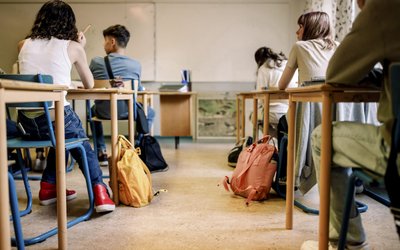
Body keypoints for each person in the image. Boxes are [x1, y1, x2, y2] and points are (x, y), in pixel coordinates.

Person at [301, 0, 400, 249]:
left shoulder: (384, 7)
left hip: (396, 152)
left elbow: (336, 72)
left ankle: (348, 238)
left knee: (320, 137)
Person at [17, 0, 115, 213]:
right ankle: (100, 191)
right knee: (80, 143)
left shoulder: (23, 44)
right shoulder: (73, 47)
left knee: (60, 138)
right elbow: (89, 84)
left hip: (26, 125)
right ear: (69, 23)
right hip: (54, 118)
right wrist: (81, 47)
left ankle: (48, 188)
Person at [277, 11, 340, 193]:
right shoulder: (338, 46)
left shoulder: (300, 47)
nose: (297, 32)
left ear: (310, 28)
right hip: (337, 114)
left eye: (300, 27)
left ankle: (287, 176)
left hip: (309, 114)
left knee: (283, 123)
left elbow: (282, 85)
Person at [89, 24, 155, 166]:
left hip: (103, 112)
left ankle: (100, 151)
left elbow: (89, 84)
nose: (103, 44)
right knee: (150, 112)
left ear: (112, 41)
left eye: (104, 40)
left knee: (91, 111)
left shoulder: (96, 62)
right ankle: (135, 149)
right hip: (128, 111)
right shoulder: (136, 65)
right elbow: (138, 89)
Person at [254, 47, 297, 138]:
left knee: (253, 117)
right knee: (284, 128)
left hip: (271, 112)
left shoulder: (263, 68)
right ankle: (284, 139)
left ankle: (279, 138)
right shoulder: (288, 64)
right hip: (290, 111)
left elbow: (260, 97)